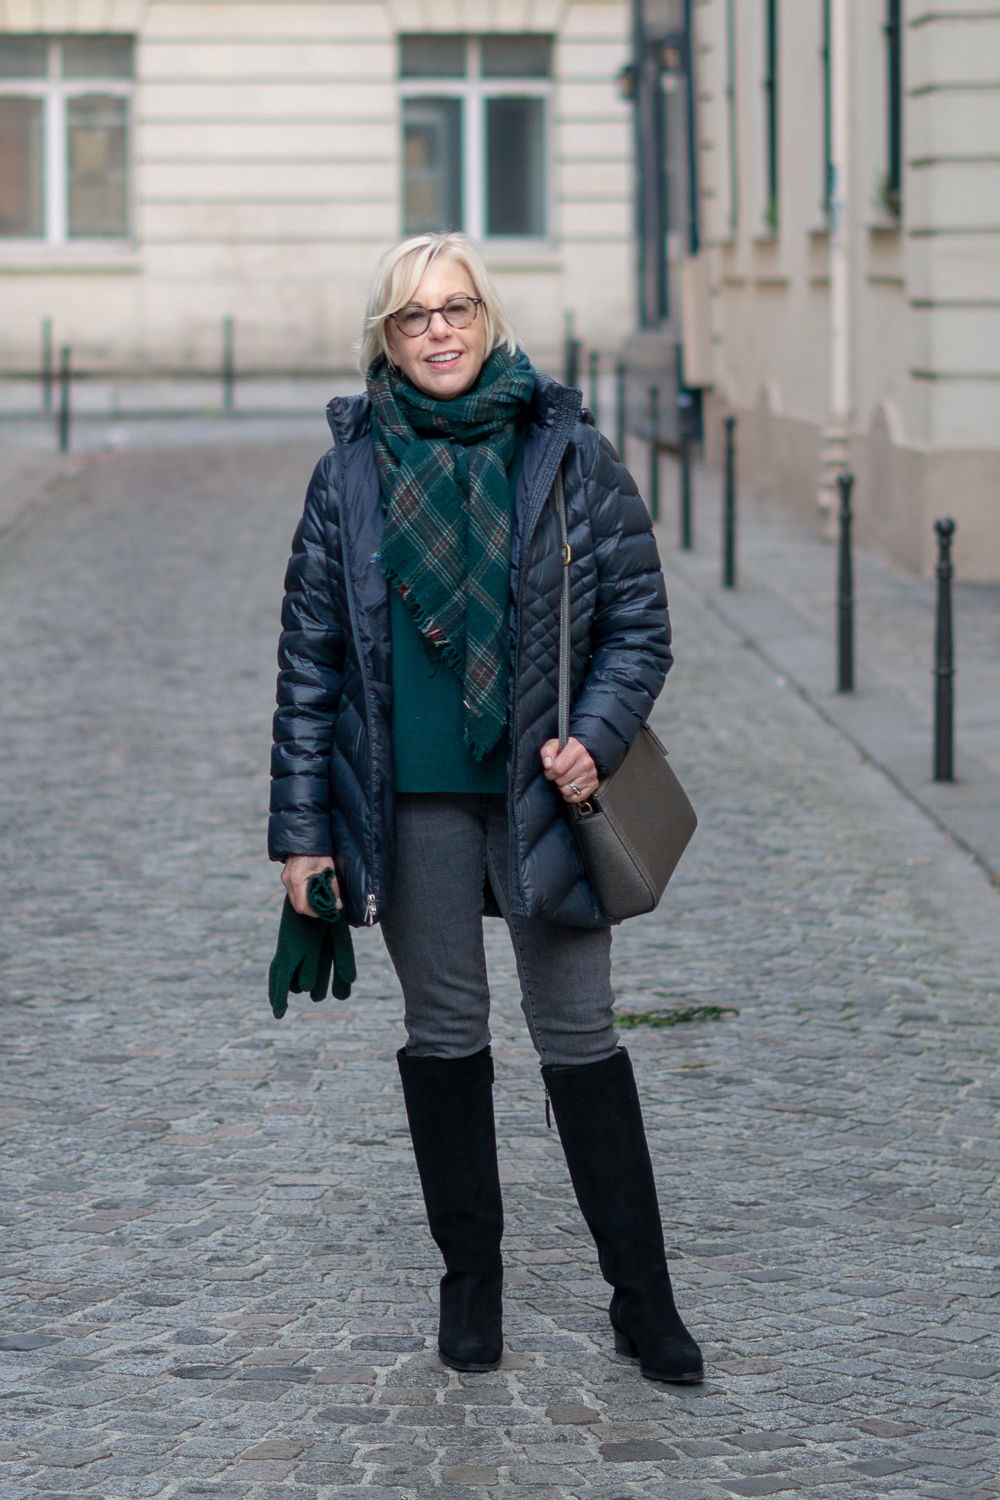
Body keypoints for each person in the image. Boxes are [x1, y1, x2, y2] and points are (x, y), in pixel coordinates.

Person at [268, 232, 703, 1385]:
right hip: (408, 805)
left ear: (490, 319)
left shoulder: (566, 454)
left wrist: (592, 738)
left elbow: (636, 630)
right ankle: (471, 1282)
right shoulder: (348, 473)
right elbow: (310, 661)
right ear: (386, 338)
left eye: (458, 308)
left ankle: (642, 1299)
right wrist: (301, 831)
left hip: (544, 802)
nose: (440, 331)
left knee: (581, 1041)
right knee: (444, 1038)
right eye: (414, 317)